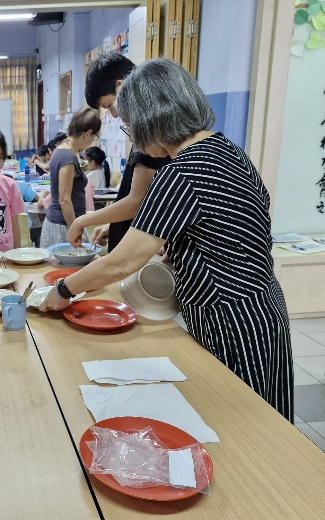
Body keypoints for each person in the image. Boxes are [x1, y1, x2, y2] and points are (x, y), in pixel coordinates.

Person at [41, 58, 293, 422]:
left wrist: (64, 290)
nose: (133, 137)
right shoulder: (228, 151)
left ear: (151, 119)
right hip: (265, 307)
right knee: (272, 422)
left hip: (232, 321)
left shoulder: (182, 171)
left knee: (246, 429)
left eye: (129, 126)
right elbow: (241, 229)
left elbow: (122, 261)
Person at [69, 52, 169, 253]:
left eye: (109, 106)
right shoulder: (145, 132)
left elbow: (136, 201)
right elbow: (144, 203)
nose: (113, 114)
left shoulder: (152, 137)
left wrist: (83, 220)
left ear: (121, 86)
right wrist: (115, 224)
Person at [39, 107, 101, 249]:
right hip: (63, 225)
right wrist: (75, 229)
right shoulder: (68, 156)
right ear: (88, 134)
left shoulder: (61, 150)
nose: (92, 141)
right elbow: (64, 199)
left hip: (61, 223)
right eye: (94, 137)